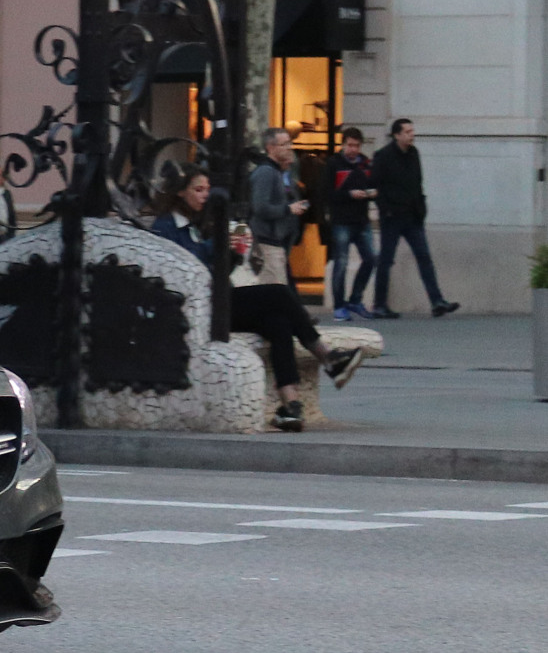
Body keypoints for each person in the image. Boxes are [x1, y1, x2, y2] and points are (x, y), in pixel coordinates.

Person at [153, 168, 368, 430]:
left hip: (215, 299)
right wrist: (220, 245)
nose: (205, 196)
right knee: (278, 292)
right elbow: (186, 265)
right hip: (196, 308)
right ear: (179, 192)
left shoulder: (198, 224)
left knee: (278, 322)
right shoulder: (166, 226)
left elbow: (216, 270)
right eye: (199, 190)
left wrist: (231, 252)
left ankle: (290, 406)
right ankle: (328, 358)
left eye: (207, 190)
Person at [368, 118, 459, 318]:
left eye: (412, 131)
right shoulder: (382, 156)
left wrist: (421, 207)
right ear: (397, 135)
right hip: (392, 217)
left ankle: (437, 301)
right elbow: (375, 186)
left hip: (412, 216)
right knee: (385, 260)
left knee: (424, 258)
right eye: (407, 132)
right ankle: (379, 304)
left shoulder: (413, 154)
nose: (412, 135)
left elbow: (418, 183)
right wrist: (386, 209)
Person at [324, 125, 378, 319]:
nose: (353, 149)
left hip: (362, 220)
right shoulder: (333, 164)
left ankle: (355, 299)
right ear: (343, 144)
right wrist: (349, 194)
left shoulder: (365, 164)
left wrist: (371, 193)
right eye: (350, 145)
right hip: (342, 221)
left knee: (371, 259)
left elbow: (373, 184)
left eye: (356, 146)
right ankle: (339, 305)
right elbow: (327, 193)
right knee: (341, 262)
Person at [245, 128, 308, 287]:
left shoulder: (275, 172)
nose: (289, 148)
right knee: (273, 290)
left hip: (275, 242)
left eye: (289, 143)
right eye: (284, 144)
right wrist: (288, 209)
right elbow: (260, 207)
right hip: (267, 243)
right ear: (270, 147)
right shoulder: (267, 172)